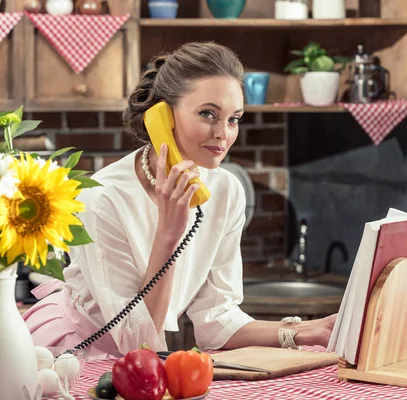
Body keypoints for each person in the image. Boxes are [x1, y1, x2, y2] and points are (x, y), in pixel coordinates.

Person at [23, 42, 336, 360]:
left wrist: (308, 331)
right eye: (208, 114)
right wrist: (169, 233)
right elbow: (137, 341)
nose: (223, 134)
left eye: (233, 119)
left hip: (141, 362)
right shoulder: (103, 199)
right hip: (70, 353)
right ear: (162, 115)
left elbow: (217, 321)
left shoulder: (226, 191)